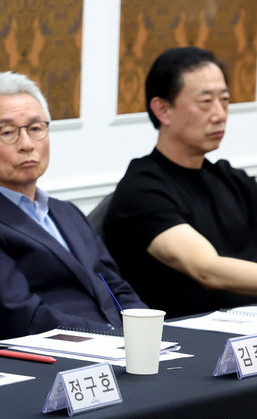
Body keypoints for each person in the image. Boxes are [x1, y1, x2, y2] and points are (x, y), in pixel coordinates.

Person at [0, 71, 145, 355]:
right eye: (7, 133)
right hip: (56, 359)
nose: (27, 144)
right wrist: (111, 337)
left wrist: (146, 331)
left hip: (120, 349)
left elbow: (114, 287)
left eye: (35, 128)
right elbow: (25, 319)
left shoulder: (66, 212)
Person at [104, 46, 257, 318]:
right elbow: (207, 270)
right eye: (206, 101)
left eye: (224, 100)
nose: (220, 114)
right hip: (185, 335)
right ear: (163, 109)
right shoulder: (142, 188)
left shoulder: (231, 178)